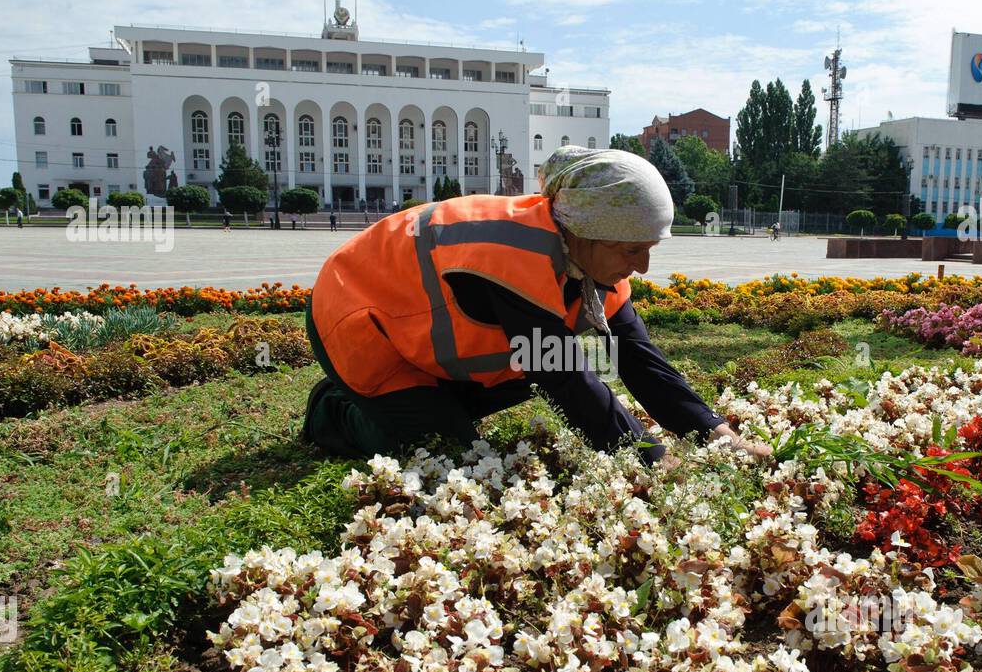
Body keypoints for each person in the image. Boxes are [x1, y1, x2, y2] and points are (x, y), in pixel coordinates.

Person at [302, 146, 769, 468]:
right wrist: (652, 458)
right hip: (357, 323)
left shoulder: (593, 263)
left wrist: (718, 434)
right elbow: (564, 376)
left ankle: (424, 401)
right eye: (631, 250)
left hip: (425, 342)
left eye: (648, 249)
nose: (642, 267)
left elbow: (642, 363)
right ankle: (335, 407)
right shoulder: (510, 255)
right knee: (448, 452)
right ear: (584, 234)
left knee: (509, 391)